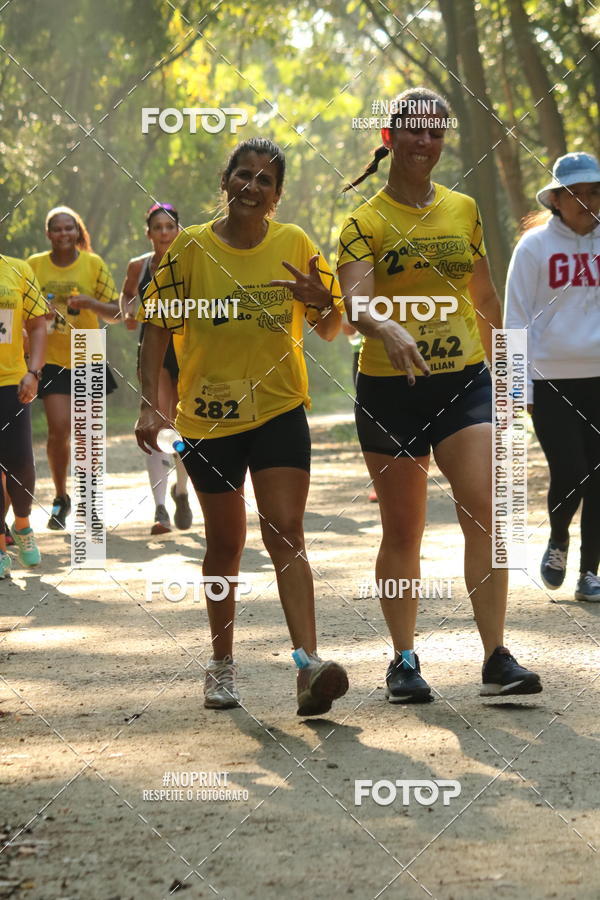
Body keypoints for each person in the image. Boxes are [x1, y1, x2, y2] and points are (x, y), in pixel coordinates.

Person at [337, 87, 542, 702]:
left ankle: (496, 657)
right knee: (404, 530)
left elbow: (484, 297)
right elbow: (356, 303)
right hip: (390, 389)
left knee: (486, 510)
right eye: (414, 131)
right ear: (389, 137)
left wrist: (510, 378)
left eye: (436, 132)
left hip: (463, 380)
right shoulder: (363, 222)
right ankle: (403, 661)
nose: (425, 142)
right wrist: (387, 326)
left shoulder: (464, 210)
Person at [135, 137, 349, 716]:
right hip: (209, 418)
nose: (252, 187)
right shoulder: (189, 248)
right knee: (225, 545)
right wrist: (151, 405)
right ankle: (221, 663)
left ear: (277, 195)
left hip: (279, 408)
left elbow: (331, 328)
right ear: (226, 181)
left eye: (265, 180)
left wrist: (323, 301)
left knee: (286, 531)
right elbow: (156, 327)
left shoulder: (295, 243)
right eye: (243, 175)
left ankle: (307, 667)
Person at [505, 152, 600, 601]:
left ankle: (589, 572)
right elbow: (515, 319)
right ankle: (559, 537)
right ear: (556, 200)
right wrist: (516, 387)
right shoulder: (534, 247)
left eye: (593, 193)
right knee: (571, 471)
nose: (586, 202)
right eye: (575, 194)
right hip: (550, 381)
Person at [27, 206, 120, 530]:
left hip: (88, 353)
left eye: (69, 228)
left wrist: (91, 304)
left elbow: (117, 312)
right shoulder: (34, 265)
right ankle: (60, 497)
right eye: (57, 229)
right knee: (58, 430)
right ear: (48, 233)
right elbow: (22, 311)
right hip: (51, 357)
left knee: (87, 433)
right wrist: (40, 313)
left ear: (77, 231)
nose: (64, 234)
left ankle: (89, 501)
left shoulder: (93, 264)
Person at [120, 203, 192, 535]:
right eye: (158, 227)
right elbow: (126, 295)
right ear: (148, 232)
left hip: (187, 348)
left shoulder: (191, 260)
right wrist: (128, 313)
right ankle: (160, 508)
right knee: (156, 423)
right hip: (153, 350)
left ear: (178, 229)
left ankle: (182, 490)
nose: (164, 232)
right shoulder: (139, 266)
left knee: (182, 425)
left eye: (169, 226)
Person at [0, 254, 47, 577]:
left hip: (11, 379)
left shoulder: (17, 269)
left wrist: (34, 371)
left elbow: (37, 324)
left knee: (20, 463)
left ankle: (22, 524)